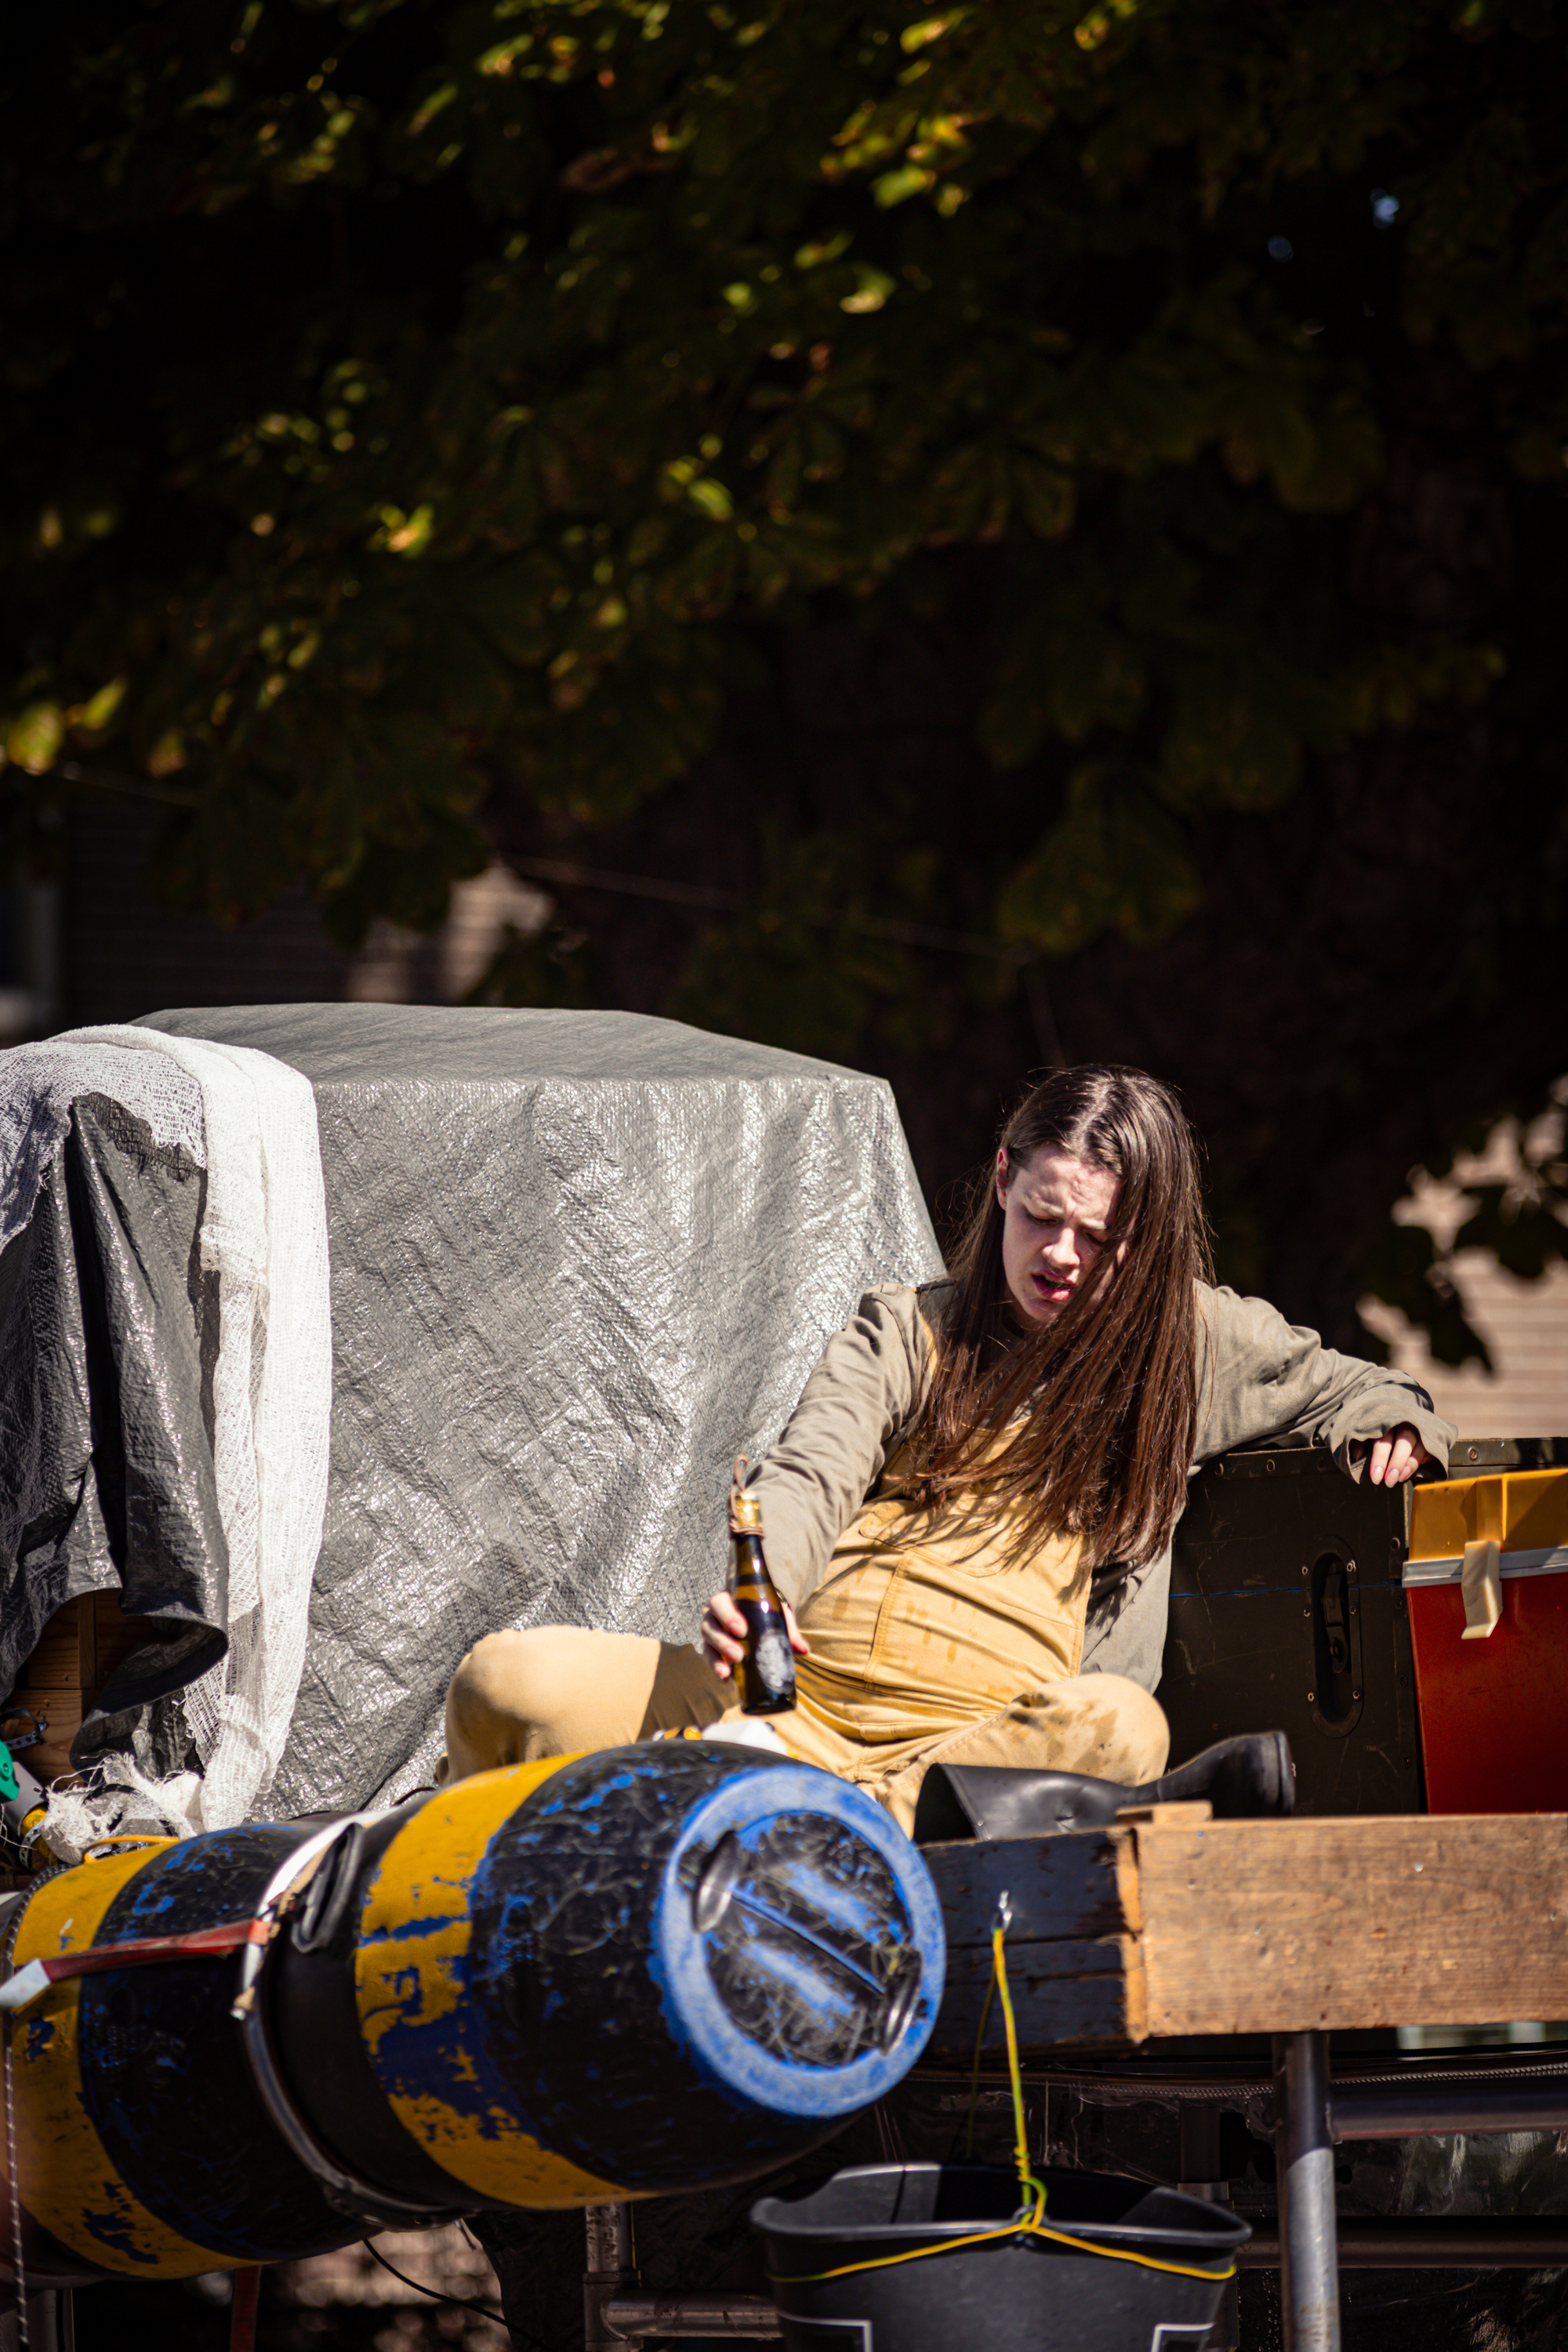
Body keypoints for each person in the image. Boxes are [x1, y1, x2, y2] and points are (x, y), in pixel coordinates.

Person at [444, 1066, 1454, 1831]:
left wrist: (1398, 1430)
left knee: (1121, 1729)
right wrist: (771, 1594)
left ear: (1144, 1237)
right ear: (1003, 1181)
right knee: (506, 1678)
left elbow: (1369, 1387)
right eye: (1039, 1218)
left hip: (966, 1755)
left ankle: (814, 1826)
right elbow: (810, 1470)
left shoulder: (1194, 1349)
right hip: (783, 1707)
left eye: (1096, 1238)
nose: (1060, 1255)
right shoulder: (907, 1328)